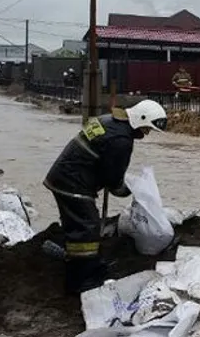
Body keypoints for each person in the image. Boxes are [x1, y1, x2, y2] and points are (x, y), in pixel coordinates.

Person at [43, 99, 168, 295]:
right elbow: (113, 179)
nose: (146, 133)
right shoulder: (121, 140)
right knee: (87, 230)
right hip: (73, 184)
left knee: (78, 227)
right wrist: (127, 189)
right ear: (140, 119)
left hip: (64, 177)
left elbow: (103, 163)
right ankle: (81, 281)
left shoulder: (108, 120)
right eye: (147, 128)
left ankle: (80, 265)